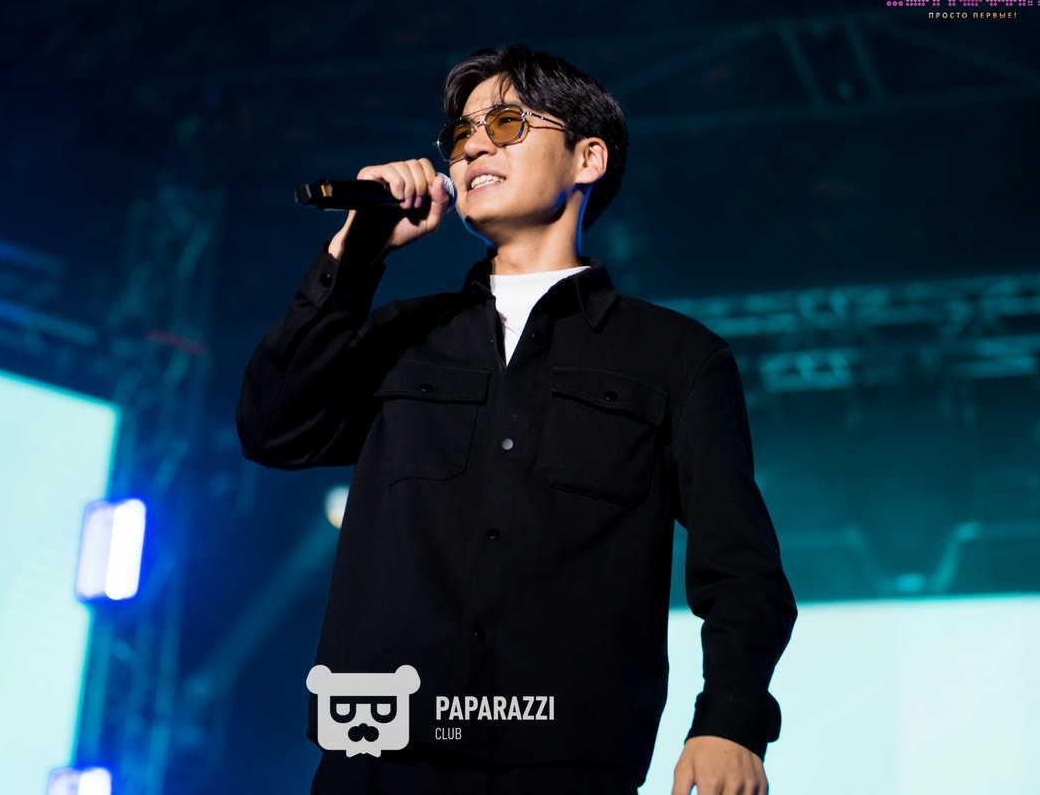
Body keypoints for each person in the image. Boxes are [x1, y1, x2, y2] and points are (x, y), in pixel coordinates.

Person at [236, 43, 797, 795]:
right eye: (460, 134)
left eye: (505, 123)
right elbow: (272, 428)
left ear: (588, 158)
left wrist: (730, 719)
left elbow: (743, 567)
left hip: (566, 763)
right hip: (378, 749)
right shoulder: (401, 335)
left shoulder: (675, 358)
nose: (472, 147)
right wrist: (355, 255)